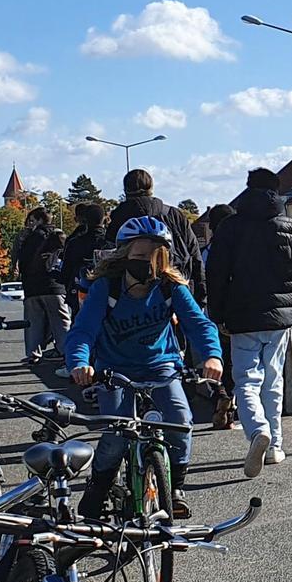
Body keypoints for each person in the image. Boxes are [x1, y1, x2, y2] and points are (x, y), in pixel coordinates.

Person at [66, 216, 222, 521]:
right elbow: (83, 330)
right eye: (139, 255)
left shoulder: (169, 288)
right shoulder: (106, 288)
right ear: (123, 254)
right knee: (117, 433)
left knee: (180, 420)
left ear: (163, 256)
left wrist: (211, 357)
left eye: (153, 255)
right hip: (115, 370)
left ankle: (174, 487)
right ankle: (98, 488)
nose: (146, 262)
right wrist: (80, 363)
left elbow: (198, 325)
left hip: (161, 366)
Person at [205, 168, 292, 477]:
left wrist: (218, 313)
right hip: (279, 317)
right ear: (276, 192)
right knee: (272, 379)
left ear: (247, 189)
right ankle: (275, 445)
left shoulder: (229, 227)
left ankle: (256, 431)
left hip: (241, 314)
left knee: (246, 380)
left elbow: (215, 273)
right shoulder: (290, 226)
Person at [104, 169, 205, 304]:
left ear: (125, 190)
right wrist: (200, 295)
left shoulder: (118, 218)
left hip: (128, 296)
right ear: (151, 188)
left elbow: (109, 259)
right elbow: (194, 254)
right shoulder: (173, 214)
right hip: (175, 287)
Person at [197, 204, 238, 429]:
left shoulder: (207, 251)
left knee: (212, 361)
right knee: (234, 363)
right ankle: (230, 405)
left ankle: (219, 396)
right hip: (239, 314)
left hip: (212, 314)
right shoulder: (240, 249)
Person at [20, 226, 72, 374]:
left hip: (32, 290)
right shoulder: (60, 251)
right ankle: (67, 354)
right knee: (61, 323)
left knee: (32, 324)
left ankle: (33, 354)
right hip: (54, 289)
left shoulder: (33, 248)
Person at [62, 202, 104, 312]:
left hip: (78, 289)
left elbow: (65, 271)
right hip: (104, 291)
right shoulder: (110, 242)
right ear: (103, 219)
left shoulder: (74, 243)